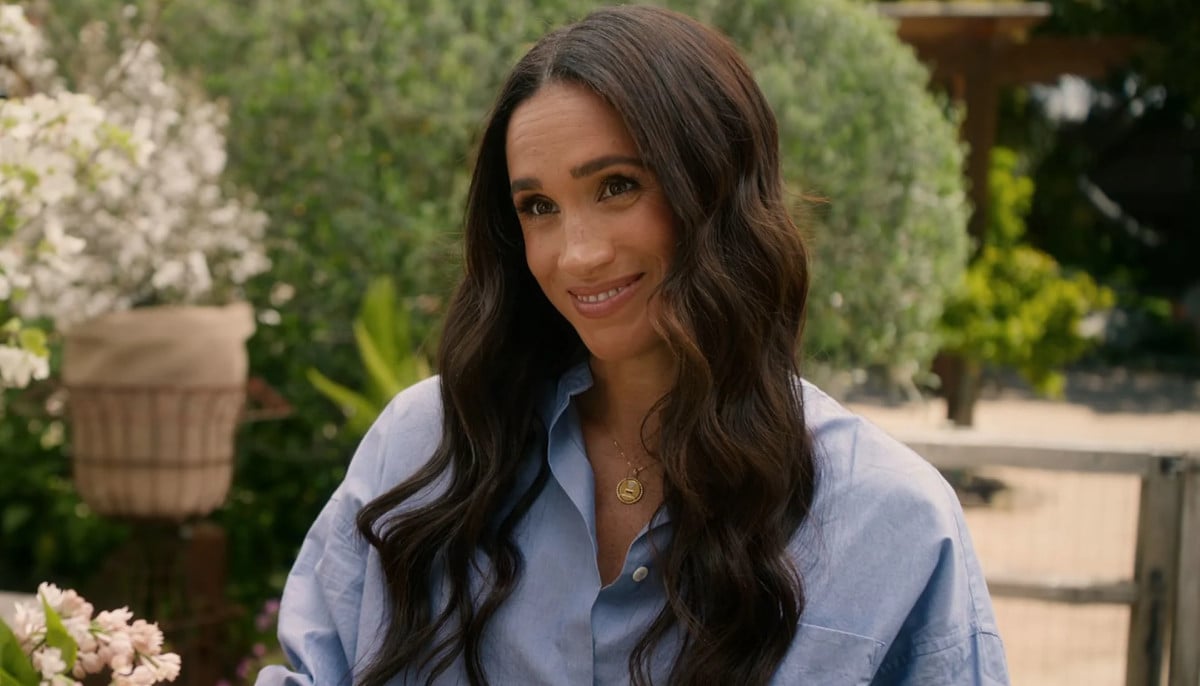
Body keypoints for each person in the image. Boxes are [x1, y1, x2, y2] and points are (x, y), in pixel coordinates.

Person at [257, 6, 1009, 685]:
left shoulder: (891, 522)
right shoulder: (423, 449)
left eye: (617, 186)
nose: (576, 254)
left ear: (718, 187)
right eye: (538, 206)